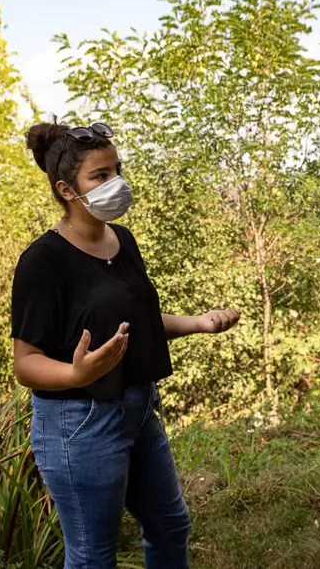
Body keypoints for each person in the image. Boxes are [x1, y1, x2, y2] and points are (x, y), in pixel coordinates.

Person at [12, 121, 241, 569]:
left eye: (116, 170)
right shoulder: (43, 261)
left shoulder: (123, 240)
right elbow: (26, 364)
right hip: (79, 423)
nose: (115, 183)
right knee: (94, 557)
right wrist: (77, 373)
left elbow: (133, 322)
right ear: (65, 189)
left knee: (170, 525)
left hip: (137, 409)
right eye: (100, 175)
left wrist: (198, 323)